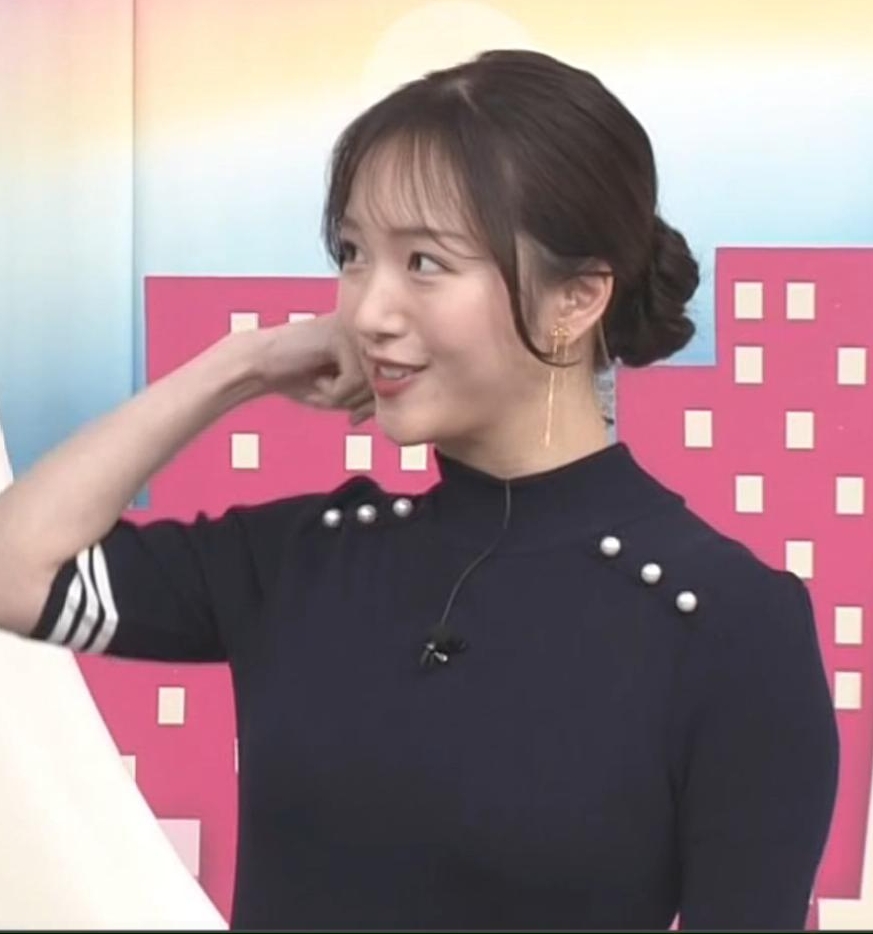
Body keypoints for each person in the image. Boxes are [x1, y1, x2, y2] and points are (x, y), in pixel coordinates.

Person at [0, 50, 838, 931]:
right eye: (353, 255)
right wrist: (241, 365)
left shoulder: (725, 625)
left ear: (576, 298)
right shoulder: (310, 559)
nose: (367, 311)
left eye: (425, 262)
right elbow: (17, 569)